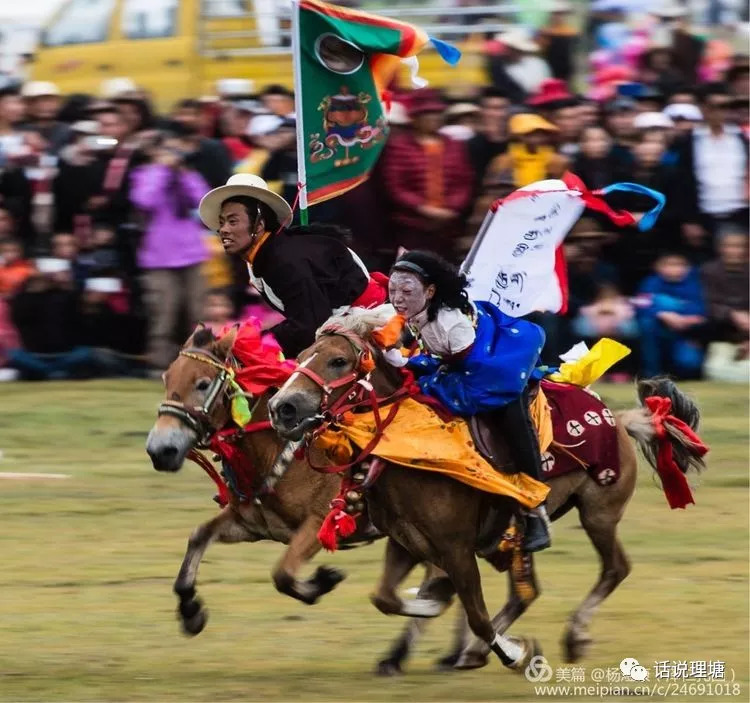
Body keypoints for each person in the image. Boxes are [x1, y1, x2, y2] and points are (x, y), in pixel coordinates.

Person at [383, 250, 550, 552]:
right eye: (393, 290)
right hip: (456, 364)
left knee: (512, 421)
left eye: (406, 291)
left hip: (492, 366)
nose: (397, 298)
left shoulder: (450, 322)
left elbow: (464, 363)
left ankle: (535, 510)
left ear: (430, 291)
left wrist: (418, 364)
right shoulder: (412, 311)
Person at [198, 173, 387, 358]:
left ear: (259, 225)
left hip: (371, 331)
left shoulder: (286, 261)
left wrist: (255, 341)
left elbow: (311, 326)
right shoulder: (268, 255)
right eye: (222, 223)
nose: (223, 230)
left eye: (233, 221)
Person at [130, 132, 210, 370]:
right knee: (164, 313)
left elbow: (203, 199)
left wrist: (183, 172)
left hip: (192, 253)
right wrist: (161, 170)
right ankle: (160, 364)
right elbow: (144, 201)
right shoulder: (143, 174)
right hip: (159, 258)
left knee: (197, 313)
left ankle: (201, 362)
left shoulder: (185, 174)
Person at [635, 250, 706, 379]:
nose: (675, 269)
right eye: (669, 264)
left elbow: (701, 313)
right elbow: (640, 306)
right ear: (658, 267)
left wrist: (685, 320)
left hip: (684, 335)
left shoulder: (695, 285)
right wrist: (662, 314)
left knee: (689, 364)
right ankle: (652, 374)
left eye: (680, 265)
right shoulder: (650, 283)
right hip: (657, 333)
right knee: (646, 323)